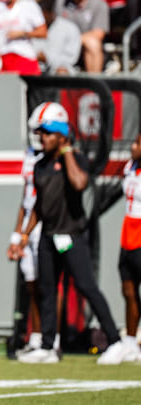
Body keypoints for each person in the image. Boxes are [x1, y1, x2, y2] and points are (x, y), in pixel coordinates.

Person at [14, 102, 128, 365]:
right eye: (40, 133)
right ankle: (47, 345)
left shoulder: (74, 159)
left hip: (71, 236)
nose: (42, 138)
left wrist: (66, 152)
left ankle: (115, 340)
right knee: (47, 290)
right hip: (47, 235)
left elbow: (79, 184)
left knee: (87, 287)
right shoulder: (39, 165)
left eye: (47, 133)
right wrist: (23, 235)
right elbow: (38, 207)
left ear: (61, 136)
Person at [5, 111, 49, 355]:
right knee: (32, 283)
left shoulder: (56, 158)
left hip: (48, 225)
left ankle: (52, 339)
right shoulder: (30, 157)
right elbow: (26, 199)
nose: (38, 136)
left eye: (42, 131)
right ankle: (37, 336)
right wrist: (17, 234)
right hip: (29, 228)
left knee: (48, 285)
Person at [115, 134, 141, 362]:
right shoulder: (129, 168)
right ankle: (130, 343)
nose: (133, 147)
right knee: (129, 290)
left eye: (138, 143)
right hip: (128, 233)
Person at [0, 0, 46, 75]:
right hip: (2, 59)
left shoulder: (29, 5)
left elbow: (43, 32)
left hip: (24, 57)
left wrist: (22, 33)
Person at [55, 0, 108, 72]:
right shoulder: (61, 3)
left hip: (83, 46)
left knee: (93, 44)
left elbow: (99, 34)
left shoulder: (99, 4)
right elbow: (57, 29)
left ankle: (94, 80)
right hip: (63, 46)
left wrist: (74, 40)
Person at [33, 2, 81, 74]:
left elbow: (70, 59)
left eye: (43, 15)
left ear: (51, 13)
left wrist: (47, 58)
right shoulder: (31, 27)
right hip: (32, 68)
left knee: (62, 71)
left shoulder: (69, 28)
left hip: (59, 69)